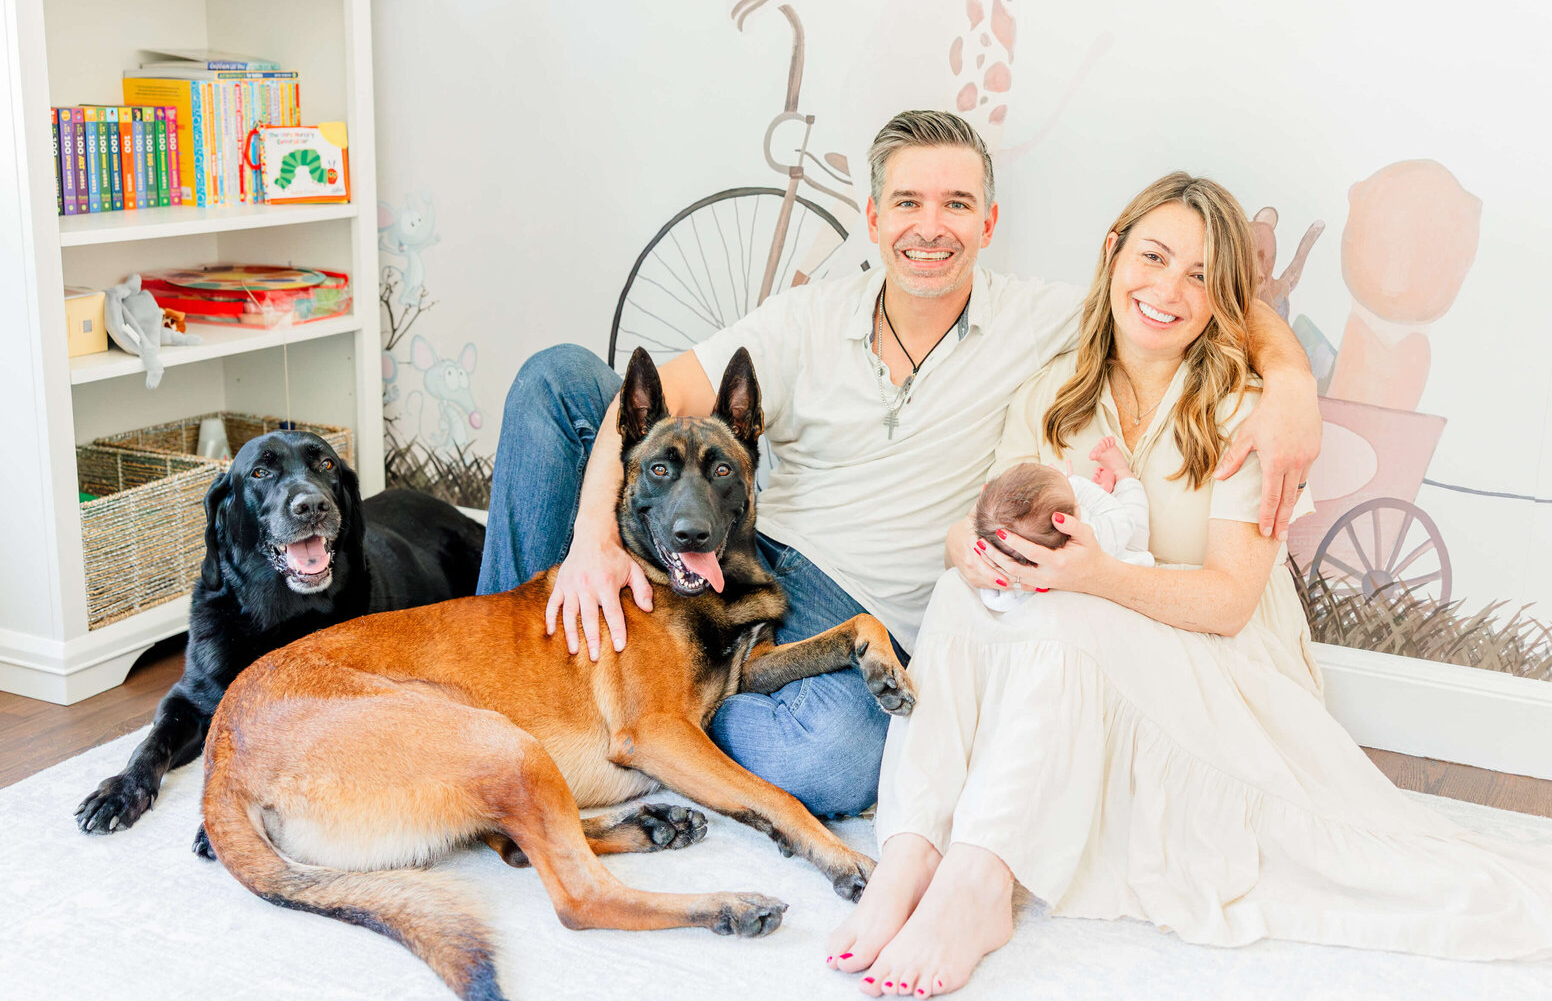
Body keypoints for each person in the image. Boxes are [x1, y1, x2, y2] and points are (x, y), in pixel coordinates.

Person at [825, 173, 1552, 997]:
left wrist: (1096, 573)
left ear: (1226, 298)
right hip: (1089, 646)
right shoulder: (1054, 392)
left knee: (1067, 618)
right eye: (1154, 257)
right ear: (1113, 253)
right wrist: (973, 549)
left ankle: (981, 881)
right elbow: (978, 520)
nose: (1168, 289)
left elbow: (1231, 601)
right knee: (958, 593)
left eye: (1200, 276)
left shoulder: (1243, 405)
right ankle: (911, 850)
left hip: (1224, 674)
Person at [478, 111, 1321, 819]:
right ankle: (500, 695)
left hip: (858, 606)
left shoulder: (1052, 317)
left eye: (957, 203)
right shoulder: (806, 318)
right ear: (874, 217)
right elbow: (659, 392)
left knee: (835, 763)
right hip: (739, 548)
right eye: (909, 201)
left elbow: (1214, 298)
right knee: (557, 378)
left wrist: (1289, 389)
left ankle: (647, 711)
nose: (932, 226)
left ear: (988, 224)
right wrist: (593, 535)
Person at [973, 445, 1153, 613]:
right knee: (1134, 523)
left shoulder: (1006, 587)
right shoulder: (1093, 540)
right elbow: (1123, 521)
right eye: (1076, 501)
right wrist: (1076, 484)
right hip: (1121, 575)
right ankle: (1124, 474)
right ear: (1069, 523)